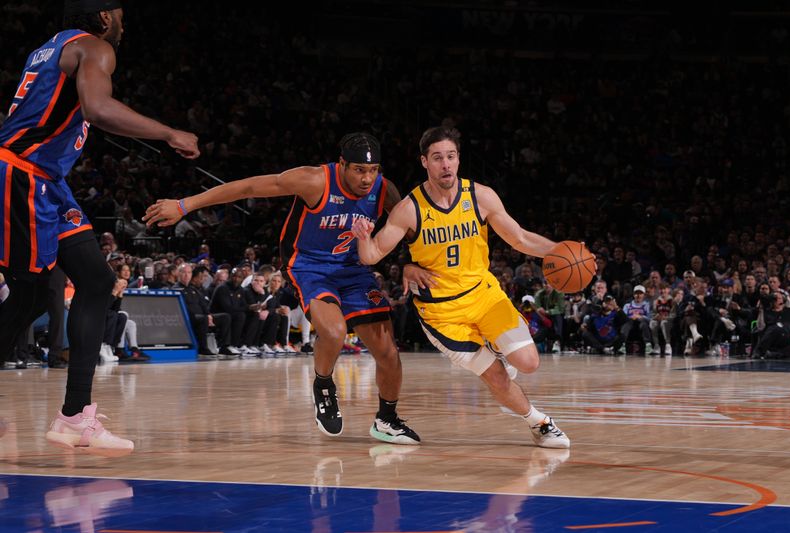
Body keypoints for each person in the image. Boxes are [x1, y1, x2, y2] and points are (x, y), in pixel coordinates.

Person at [0, 0, 199, 456]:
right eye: (121, 13)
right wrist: (169, 133)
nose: (124, 22)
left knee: (96, 279)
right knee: (30, 294)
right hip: (22, 174)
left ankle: (74, 415)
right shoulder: (95, 47)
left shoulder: (50, 48)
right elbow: (97, 107)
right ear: (104, 17)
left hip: (47, 180)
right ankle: (73, 415)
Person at [143, 132, 420, 445]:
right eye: (358, 169)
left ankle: (386, 419)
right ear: (341, 164)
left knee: (388, 351)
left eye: (372, 170)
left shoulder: (384, 190)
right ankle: (324, 384)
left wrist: (411, 262)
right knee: (333, 332)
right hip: (311, 267)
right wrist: (184, 204)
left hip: (354, 270)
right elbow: (248, 187)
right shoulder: (315, 180)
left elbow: (412, 229)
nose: (367, 178)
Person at [350, 126, 571, 448]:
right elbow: (371, 255)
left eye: (451, 157)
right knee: (495, 376)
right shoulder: (409, 209)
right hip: (443, 314)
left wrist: (561, 251)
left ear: (458, 159)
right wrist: (362, 237)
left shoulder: (480, 195)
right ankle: (539, 422)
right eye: (437, 158)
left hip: (484, 295)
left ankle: (497, 347)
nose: (446, 165)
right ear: (424, 162)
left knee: (529, 363)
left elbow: (520, 238)